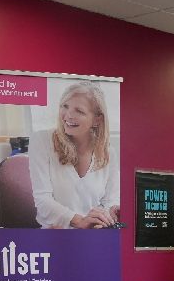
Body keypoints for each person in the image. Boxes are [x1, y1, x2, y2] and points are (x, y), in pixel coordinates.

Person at [28, 81, 120, 229]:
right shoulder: (41, 141)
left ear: (97, 120)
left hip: (93, 233)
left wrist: (110, 213)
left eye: (79, 111)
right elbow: (42, 200)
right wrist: (80, 221)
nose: (68, 115)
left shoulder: (108, 152)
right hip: (55, 233)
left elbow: (111, 199)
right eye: (65, 106)